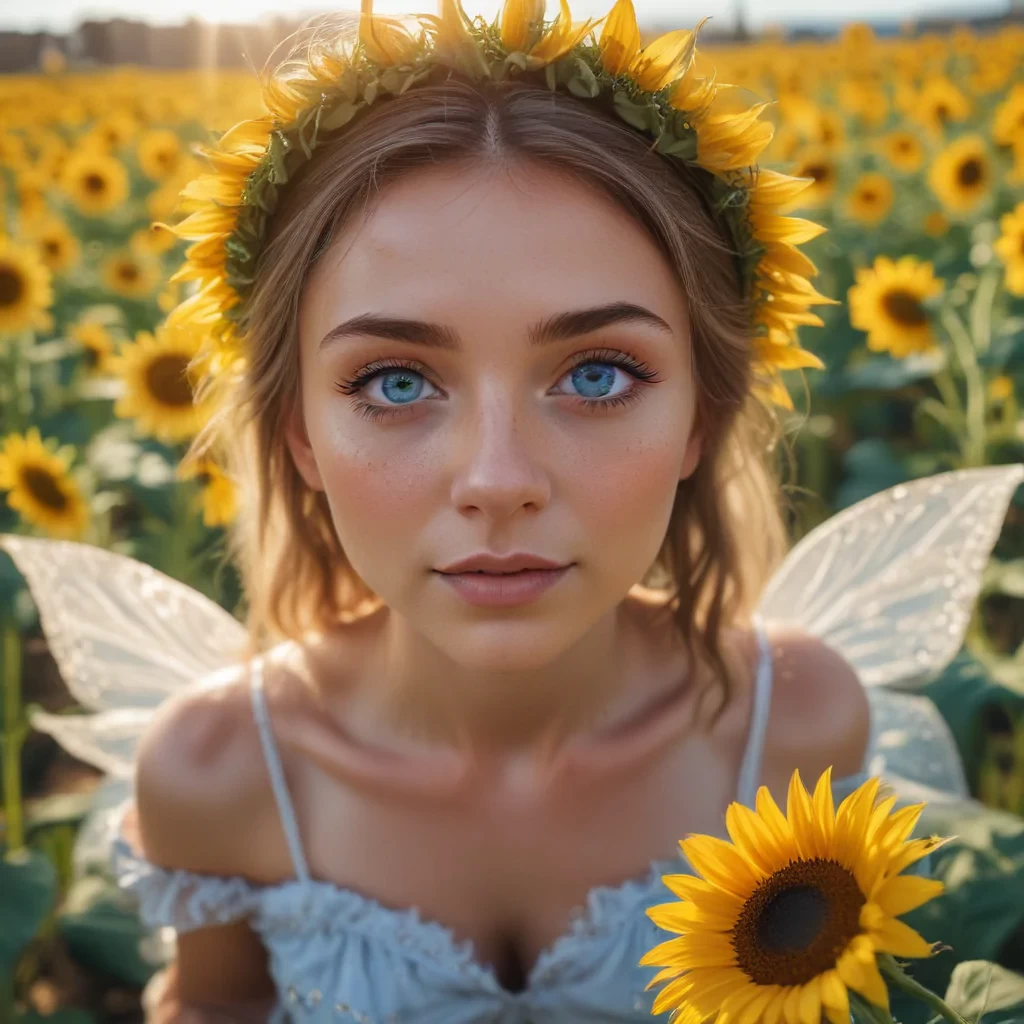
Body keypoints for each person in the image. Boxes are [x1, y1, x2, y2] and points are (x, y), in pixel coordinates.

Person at [5, 0, 1015, 1020]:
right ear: (298, 432)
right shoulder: (219, 774)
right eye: (396, 382)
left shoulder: (795, 727)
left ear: (701, 416)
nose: (497, 477)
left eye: (598, 373)